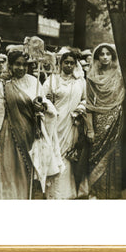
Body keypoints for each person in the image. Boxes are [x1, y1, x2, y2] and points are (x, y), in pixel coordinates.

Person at [0, 51, 60, 199]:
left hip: (31, 131)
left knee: (29, 169)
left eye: (24, 65)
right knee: (10, 169)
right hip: (10, 132)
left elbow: (45, 103)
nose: (21, 68)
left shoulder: (34, 82)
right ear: (11, 65)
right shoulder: (2, 84)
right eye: (17, 64)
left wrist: (42, 107)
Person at [83, 43, 125, 199]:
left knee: (113, 154)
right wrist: (90, 128)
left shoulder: (120, 75)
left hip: (116, 118)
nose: (105, 57)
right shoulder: (91, 77)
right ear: (97, 57)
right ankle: (95, 191)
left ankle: (111, 193)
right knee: (96, 154)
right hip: (98, 120)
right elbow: (88, 104)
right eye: (102, 54)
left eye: (108, 54)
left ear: (113, 57)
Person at [43, 51, 87, 199]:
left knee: (68, 156)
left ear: (75, 65)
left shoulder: (80, 81)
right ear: (61, 63)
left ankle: (67, 193)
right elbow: (41, 100)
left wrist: (79, 110)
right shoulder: (51, 80)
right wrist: (48, 101)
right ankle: (53, 193)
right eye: (66, 62)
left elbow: (86, 99)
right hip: (54, 122)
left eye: (71, 63)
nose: (68, 65)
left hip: (72, 123)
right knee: (55, 154)